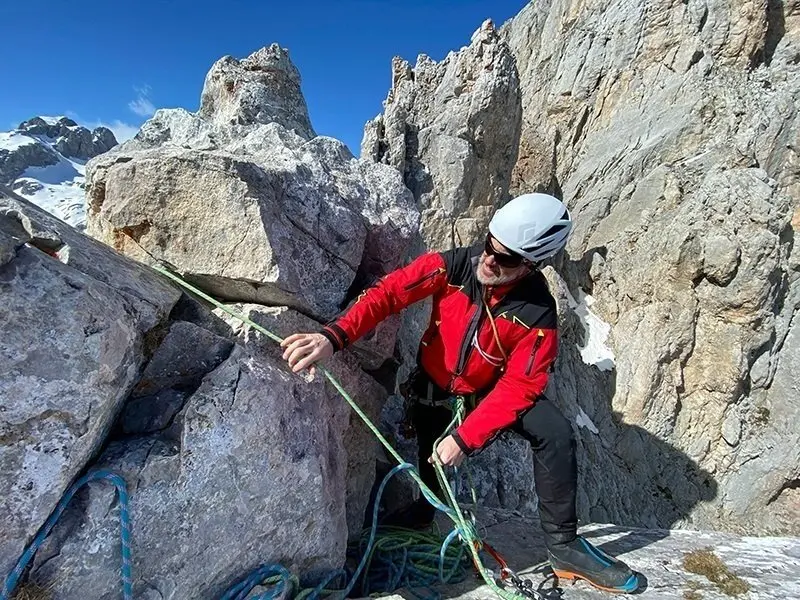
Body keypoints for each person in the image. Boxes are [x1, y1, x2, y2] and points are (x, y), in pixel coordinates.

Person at [280, 193, 640, 593]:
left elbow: (522, 384)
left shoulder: (537, 312)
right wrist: (333, 336)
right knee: (430, 426)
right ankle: (426, 507)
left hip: (488, 390)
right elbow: (390, 292)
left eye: (504, 258)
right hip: (435, 381)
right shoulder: (453, 265)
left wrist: (466, 438)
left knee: (554, 432)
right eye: (489, 244)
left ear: (531, 264)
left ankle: (565, 547)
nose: (488, 259)